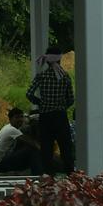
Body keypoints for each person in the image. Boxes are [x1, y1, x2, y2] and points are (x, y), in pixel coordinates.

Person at [26, 44, 75, 175]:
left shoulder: (41, 76)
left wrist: (40, 103)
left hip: (45, 117)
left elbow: (29, 93)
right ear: (59, 59)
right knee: (65, 148)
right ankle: (71, 176)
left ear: (47, 60)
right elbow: (71, 99)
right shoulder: (65, 76)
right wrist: (62, 106)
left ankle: (48, 176)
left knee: (46, 149)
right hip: (60, 116)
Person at [0, 107, 40, 174]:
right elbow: (32, 143)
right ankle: (38, 174)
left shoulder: (8, 127)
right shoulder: (12, 130)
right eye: (17, 117)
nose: (20, 120)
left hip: (1, 160)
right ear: (11, 119)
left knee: (27, 148)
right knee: (31, 149)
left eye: (21, 117)